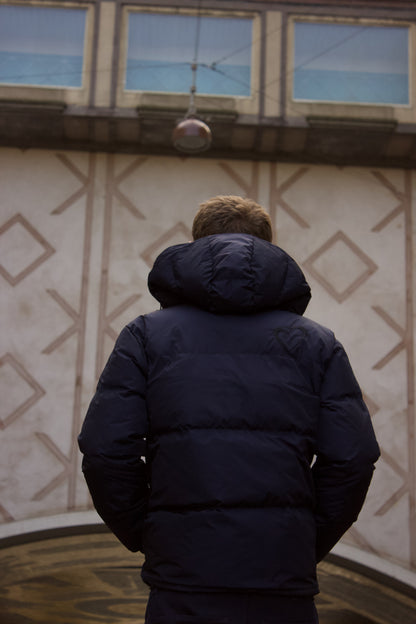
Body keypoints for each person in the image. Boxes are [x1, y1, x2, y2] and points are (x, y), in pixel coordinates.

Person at [78, 195, 380, 624]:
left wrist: (152, 535)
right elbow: (352, 459)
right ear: (270, 246)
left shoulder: (146, 336)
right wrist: (300, 540)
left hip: (183, 580)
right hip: (282, 580)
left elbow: (107, 452)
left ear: (197, 244)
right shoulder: (317, 343)